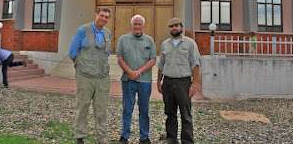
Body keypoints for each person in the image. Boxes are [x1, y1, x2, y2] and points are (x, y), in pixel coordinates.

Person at [69, 8, 112, 144]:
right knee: (83, 106)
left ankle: (102, 138)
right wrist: (81, 66)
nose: (104, 19)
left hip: (103, 77)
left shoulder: (107, 33)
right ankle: (80, 136)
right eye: (102, 15)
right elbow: (73, 52)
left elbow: (106, 53)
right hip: (85, 77)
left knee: (102, 109)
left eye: (106, 17)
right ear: (96, 15)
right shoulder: (83, 30)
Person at [156, 18, 201, 144]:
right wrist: (159, 81)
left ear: (181, 27)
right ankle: (171, 138)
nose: (174, 28)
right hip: (168, 82)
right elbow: (161, 64)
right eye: (171, 26)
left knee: (185, 114)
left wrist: (195, 84)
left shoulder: (190, 43)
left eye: (176, 26)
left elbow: (195, 64)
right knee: (170, 113)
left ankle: (187, 140)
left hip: (184, 83)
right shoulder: (165, 44)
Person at [116, 14, 156, 144]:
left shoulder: (149, 40)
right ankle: (124, 136)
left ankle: (144, 137)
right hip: (128, 80)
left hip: (145, 81)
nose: (137, 26)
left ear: (143, 25)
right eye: (135, 23)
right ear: (131, 25)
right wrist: (130, 72)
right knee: (127, 108)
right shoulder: (123, 39)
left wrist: (138, 72)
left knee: (144, 109)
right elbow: (120, 58)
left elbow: (153, 60)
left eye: (139, 24)